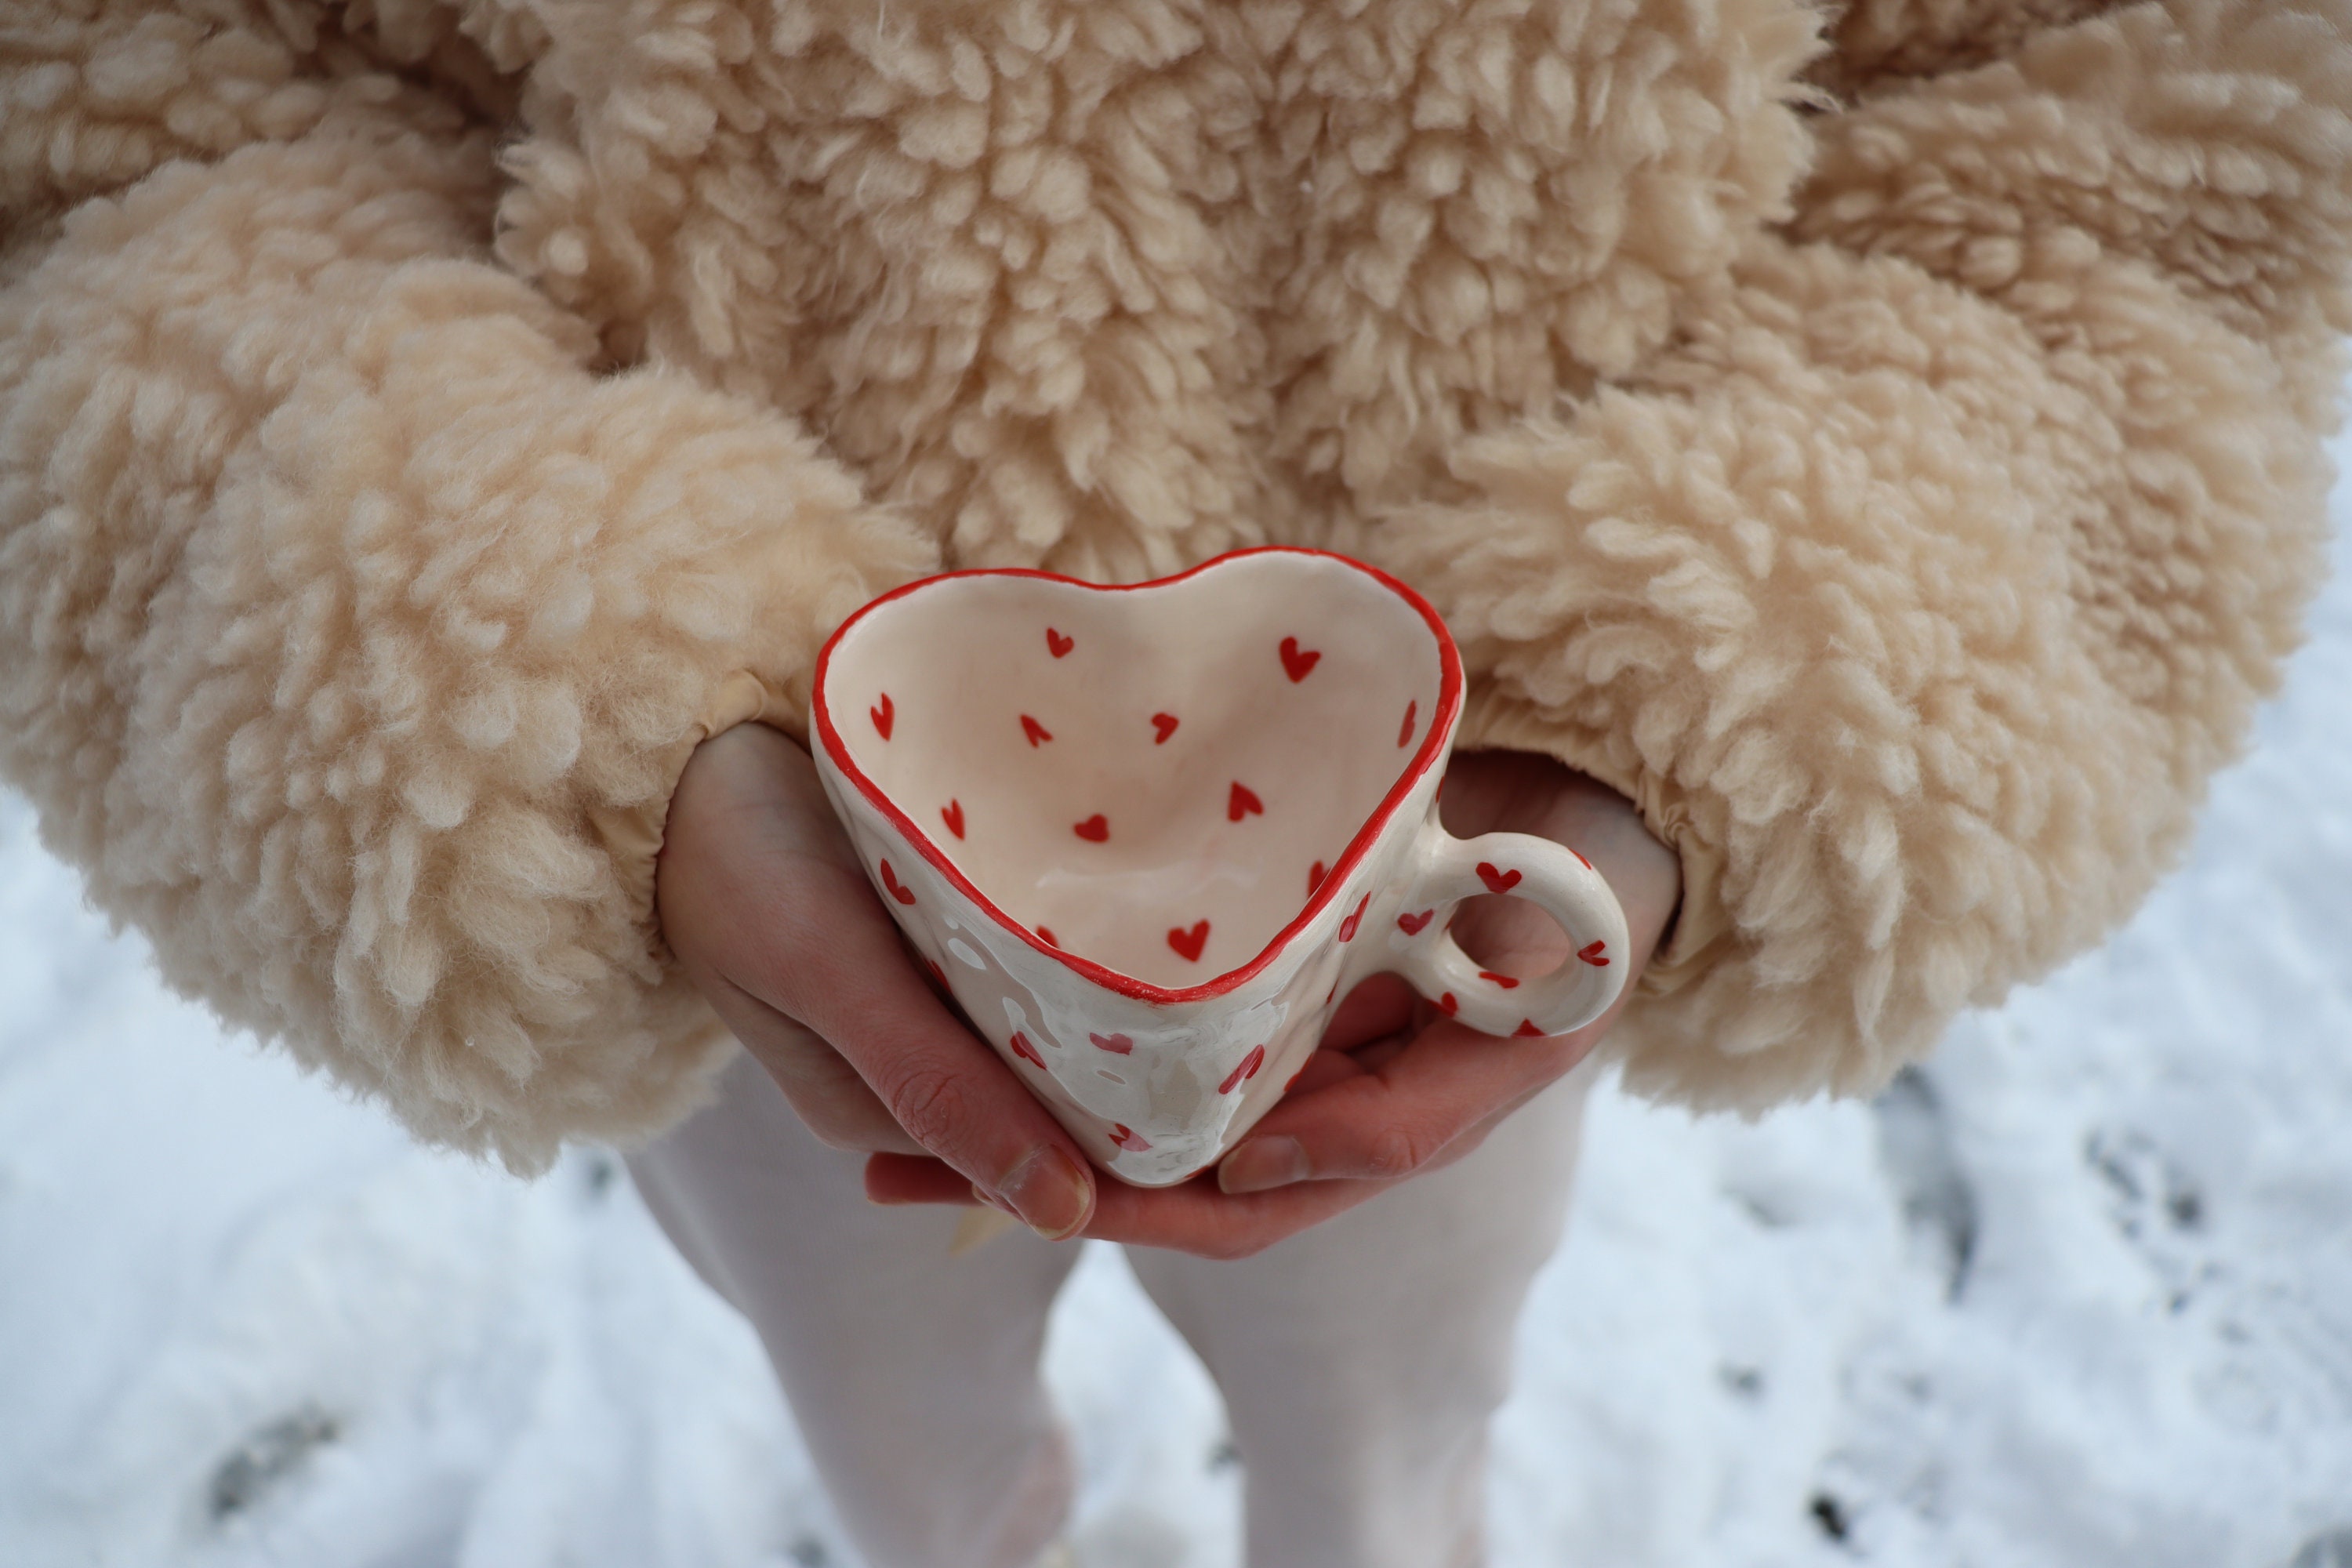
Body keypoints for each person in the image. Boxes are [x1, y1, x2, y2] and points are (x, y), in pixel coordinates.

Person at [2, 0, 2344, 1563]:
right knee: (902, 1448)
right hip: (732, 950)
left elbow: (2136, 152)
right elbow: (127, 113)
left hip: (1416, 954)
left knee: (1391, 1443)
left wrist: (1714, 702)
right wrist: (522, 679)